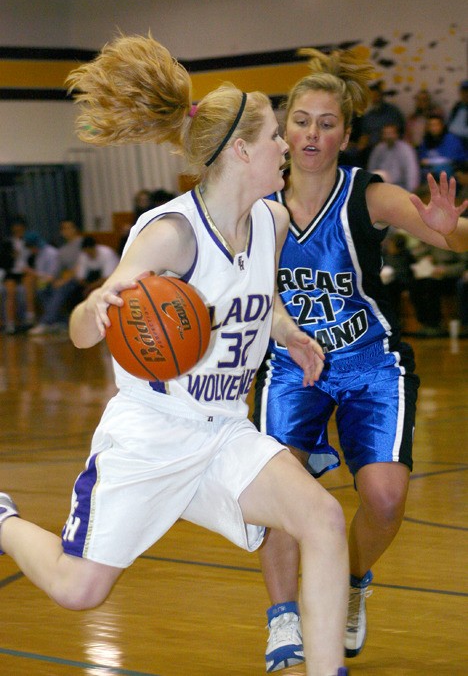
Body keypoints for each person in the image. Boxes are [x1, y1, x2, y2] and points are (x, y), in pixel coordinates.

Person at [0, 34, 350, 676]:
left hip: (222, 434)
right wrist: (96, 307)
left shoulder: (269, 221)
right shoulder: (171, 234)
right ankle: (2, 519)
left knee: (322, 518)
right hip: (150, 438)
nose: (287, 146)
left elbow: (254, 300)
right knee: (81, 590)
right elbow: (86, 328)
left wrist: (289, 332)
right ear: (242, 150)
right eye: (276, 134)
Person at [253, 47, 468, 671]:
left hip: (370, 363)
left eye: (326, 123)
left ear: (347, 134)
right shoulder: (258, 200)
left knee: (384, 498)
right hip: (292, 365)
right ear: (284, 128)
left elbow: (444, 233)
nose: (313, 133)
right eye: (302, 120)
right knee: (279, 491)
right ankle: (282, 618)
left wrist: (446, 227)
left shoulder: (366, 196)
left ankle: (349, 584)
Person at [28, 220, 83, 335]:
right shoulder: (62, 250)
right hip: (65, 279)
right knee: (42, 289)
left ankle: (45, 322)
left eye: (69, 228)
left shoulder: (82, 244)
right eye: (64, 229)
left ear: (75, 229)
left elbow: (82, 266)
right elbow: (57, 271)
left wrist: (63, 280)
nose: (67, 231)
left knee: (61, 289)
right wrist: (50, 280)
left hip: (80, 279)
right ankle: (61, 321)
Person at [356, 79, 406, 166]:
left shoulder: (392, 111)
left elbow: (399, 131)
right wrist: (361, 145)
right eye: (372, 96)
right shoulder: (368, 115)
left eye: (376, 95)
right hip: (370, 148)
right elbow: (365, 135)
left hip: (389, 146)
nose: (374, 98)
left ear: (381, 96)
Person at [367, 123, 421, 192]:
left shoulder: (406, 149)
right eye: (386, 133)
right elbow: (371, 169)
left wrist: (411, 192)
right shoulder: (378, 149)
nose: (388, 136)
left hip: (401, 188)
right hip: (381, 188)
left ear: (397, 134)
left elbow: (412, 172)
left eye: (390, 133)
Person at [417, 114, 467, 183]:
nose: (433, 128)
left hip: (454, 169)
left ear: (442, 125)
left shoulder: (451, 139)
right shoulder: (426, 141)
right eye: (431, 125)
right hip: (429, 172)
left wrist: (430, 161)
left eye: (436, 125)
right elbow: (422, 160)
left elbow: (450, 160)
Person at [447, 79, 468, 152]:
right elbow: (449, 123)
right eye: (463, 92)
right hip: (453, 141)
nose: (465, 94)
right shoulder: (457, 106)